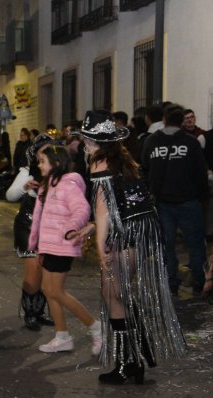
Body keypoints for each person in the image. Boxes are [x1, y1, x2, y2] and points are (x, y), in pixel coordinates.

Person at [74, 109, 186, 384]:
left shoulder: (99, 163)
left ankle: (130, 362)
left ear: (97, 142)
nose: (86, 144)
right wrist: (92, 227)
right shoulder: (122, 159)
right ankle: (132, 358)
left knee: (113, 293)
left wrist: (99, 247)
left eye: (88, 139)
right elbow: (119, 202)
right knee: (115, 292)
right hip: (139, 230)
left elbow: (104, 209)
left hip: (125, 235)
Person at [27, 144, 101, 354]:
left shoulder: (68, 185)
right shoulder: (47, 185)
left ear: (56, 163)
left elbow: (82, 208)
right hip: (49, 245)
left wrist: (71, 228)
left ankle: (95, 327)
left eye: (43, 161)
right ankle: (62, 336)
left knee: (57, 291)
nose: (39, 165)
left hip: (62, 245)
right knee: (48, 290)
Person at [141, 104, 208, 296]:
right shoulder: (191, 142)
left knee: (166, 245)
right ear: (181, 122)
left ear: (163, 120)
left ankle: (171, 284)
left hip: (162, 203)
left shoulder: (151, 142)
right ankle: (199, 283)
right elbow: (200, 174)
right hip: (189, 202)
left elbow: (144, 170)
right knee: (195, 245)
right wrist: (202, 197)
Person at [6, 133, 56, 331]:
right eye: (43, 152)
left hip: (51, 227)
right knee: (32, 276)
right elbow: (10, 195)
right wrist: (25, 187)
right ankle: (29, 311)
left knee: (45, 273)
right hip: (29, 225)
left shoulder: (60, 171)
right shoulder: (29, 171)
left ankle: (38, 311)